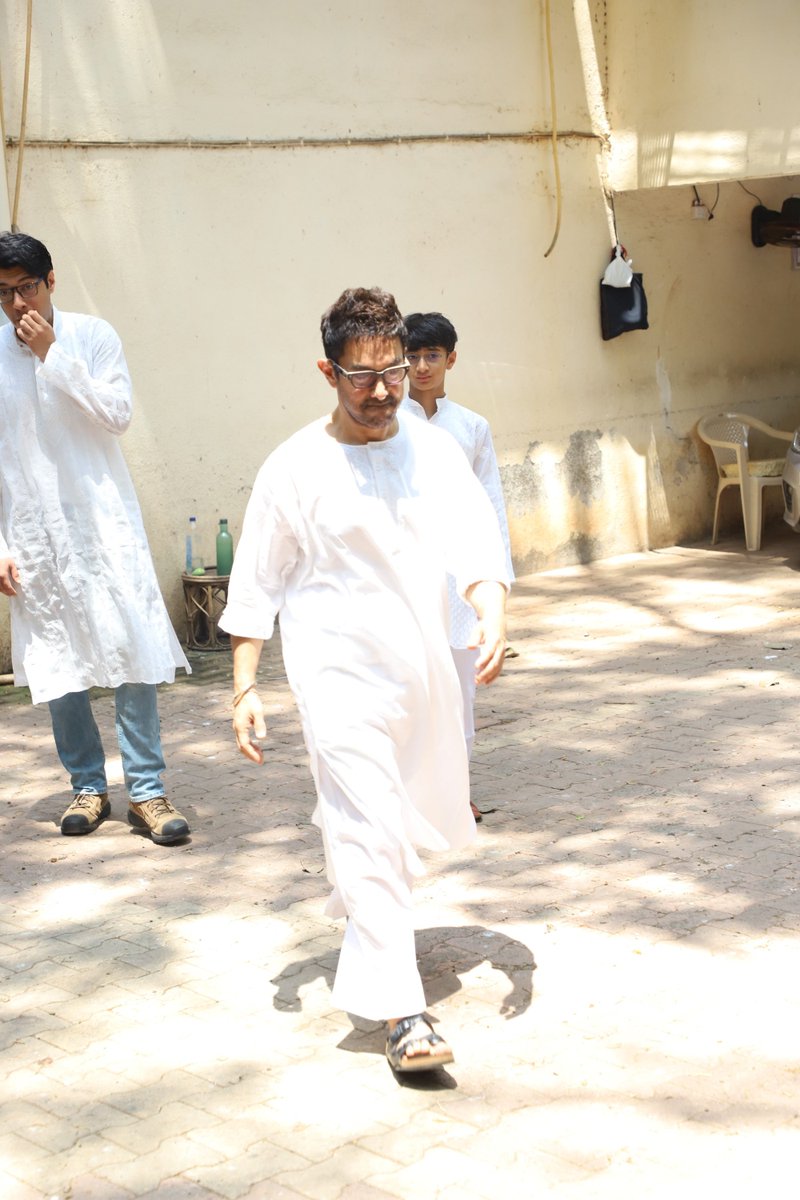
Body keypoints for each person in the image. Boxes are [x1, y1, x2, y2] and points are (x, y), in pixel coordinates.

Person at [219, 287, 509, 1072]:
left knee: (390, 822)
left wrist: (491, 609)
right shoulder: (294, 467)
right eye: (363, 375)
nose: (383, 391)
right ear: (327, 371)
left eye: (394, 371)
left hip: (419, 674)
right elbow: (258, 580)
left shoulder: (431, 448)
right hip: (335, 675)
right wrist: (245, 686)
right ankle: (401, 1013)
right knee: (371, 825)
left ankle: (363, 906)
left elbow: (473, 535)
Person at [0, 232, 191, 845]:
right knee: (60, 660)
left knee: (130, 648)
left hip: (102, 523)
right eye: (2, 294)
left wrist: (54, 352)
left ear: (51, 281)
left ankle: (148, 792)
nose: (16, 303)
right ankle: (86, 785)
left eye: (26, 287)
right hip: (32, 532)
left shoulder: (92, 335)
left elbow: (117, 414)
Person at [402, 312, 515, 820]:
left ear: (451, 358)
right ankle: (408, 795)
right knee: (409, 687)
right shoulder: (385, 421)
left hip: (461, 579)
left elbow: (491, 509)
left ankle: (455, 792)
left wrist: (497, 593)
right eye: (413, 355)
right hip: (402, 576)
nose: (421, 366)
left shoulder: (471, 427)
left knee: (459, 691)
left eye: (432, 356)